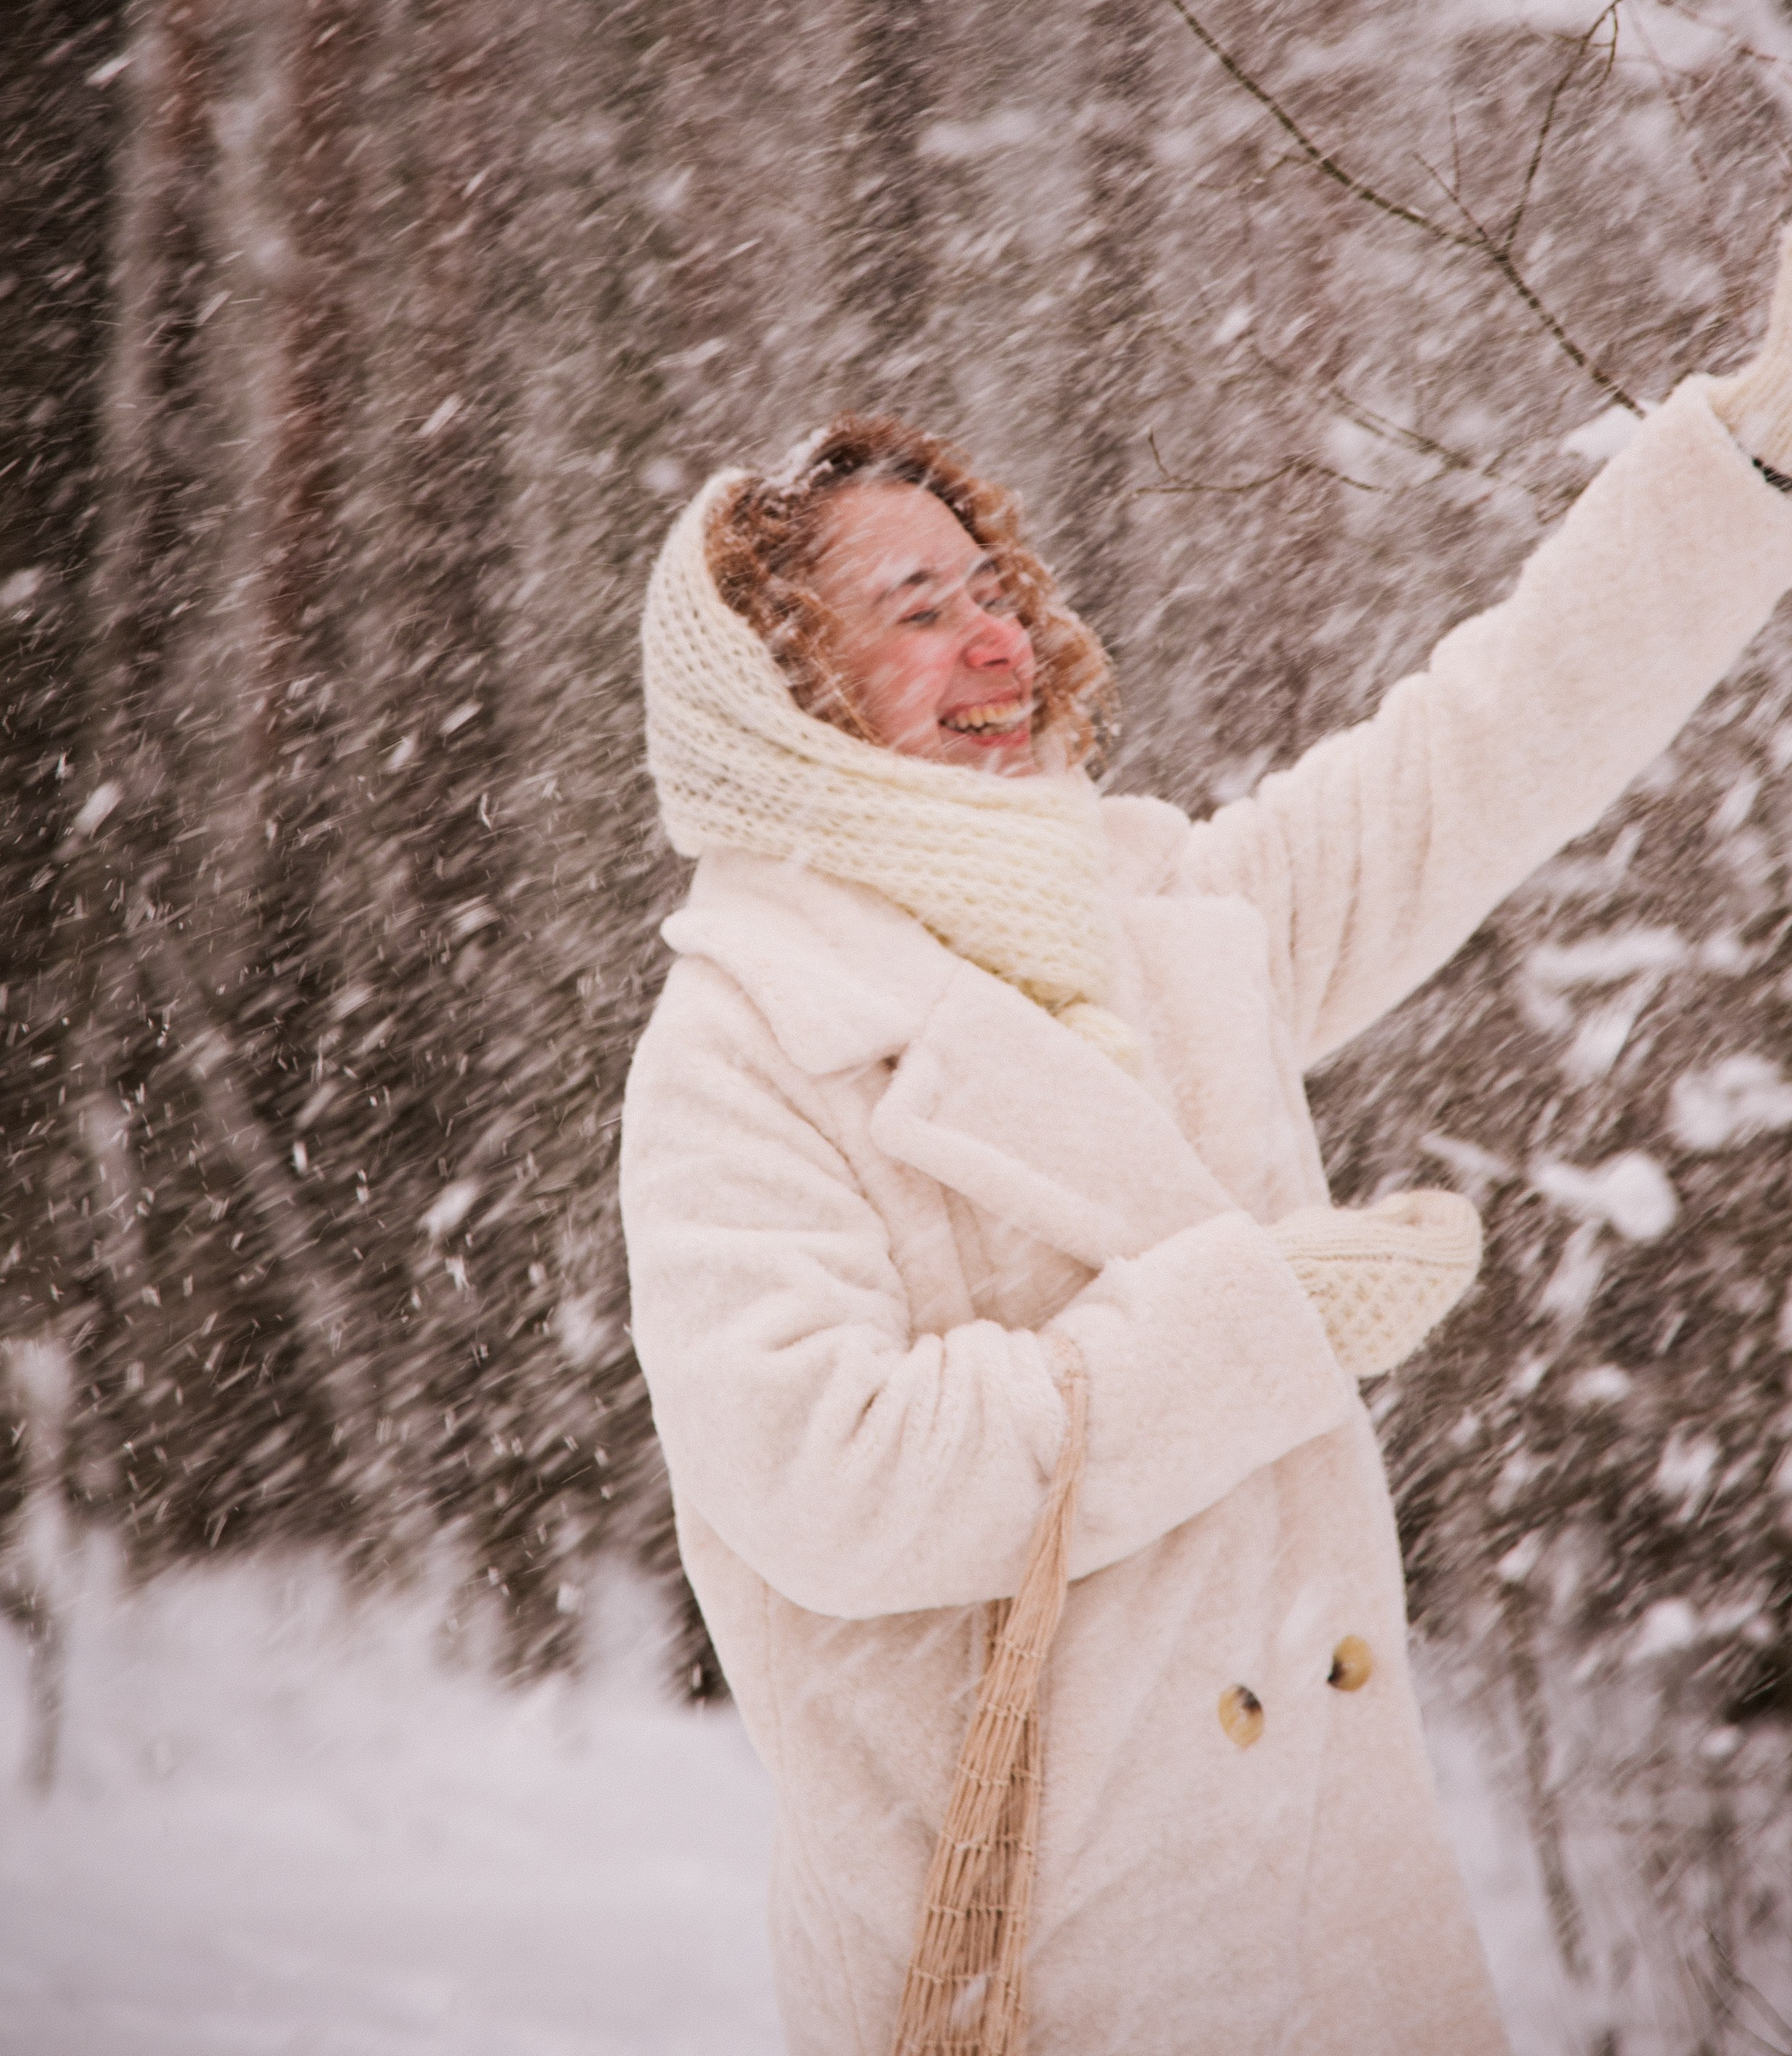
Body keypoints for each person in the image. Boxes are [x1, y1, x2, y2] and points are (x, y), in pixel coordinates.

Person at [620, 238, 1792, 2056]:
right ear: (777, 696)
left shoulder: (1159, 920)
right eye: (913, 608)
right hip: (1053, 1966)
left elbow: (1472, 752)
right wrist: (1260, 1317)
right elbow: (839, 1484)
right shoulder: (744, 1044)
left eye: (989, 580)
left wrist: (1758, 452)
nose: (996, 632)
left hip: (1325, 1931)